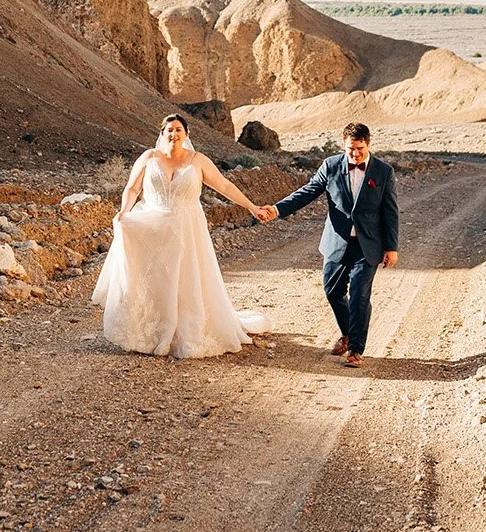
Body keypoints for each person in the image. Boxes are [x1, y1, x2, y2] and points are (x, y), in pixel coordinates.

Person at [89, 114, 275, 358]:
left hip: (187, 229)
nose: (173, 134)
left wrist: (251, 207)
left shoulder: (197, 161)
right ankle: (154, 330)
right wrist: (124, 211)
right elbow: (132, 188)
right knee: (157, 279)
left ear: (186, 134)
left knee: (186, 279)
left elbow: (225, 186)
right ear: (162, 133)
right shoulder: (149, 157)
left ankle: (183, 331)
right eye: (169, 130)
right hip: (154, 226)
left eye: (178, 130)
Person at [258, 122, 398, 367]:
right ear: (344, 145)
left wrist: (391, 247)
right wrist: (277, 209)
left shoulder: (383, 172)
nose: (355, 153)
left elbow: (390, 211)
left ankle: (355, 350)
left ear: (368, 144)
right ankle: (348, 333)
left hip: (367, 245)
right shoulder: (331, 166)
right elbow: (307, 192)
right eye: (350, 148)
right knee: (332, 292)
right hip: (337, 243)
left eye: (360, 148)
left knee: (359, 296)